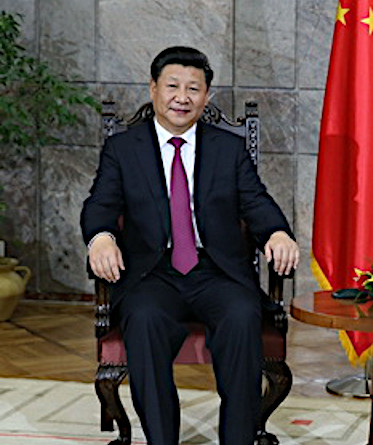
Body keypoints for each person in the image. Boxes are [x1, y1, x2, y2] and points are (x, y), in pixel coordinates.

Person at [80, 46, 299, 445]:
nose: (183, 97)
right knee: (144, 320)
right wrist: (101, 238)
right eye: (173, 86)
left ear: (207, 97)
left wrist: (277, 233)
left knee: (241, 315)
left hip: (217, 272)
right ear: (153, 89)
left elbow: (256, 201)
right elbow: (100, 204)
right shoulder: (123, 149)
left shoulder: (227, 149)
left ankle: (238, 439)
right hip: (151, 274)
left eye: (194, 89)